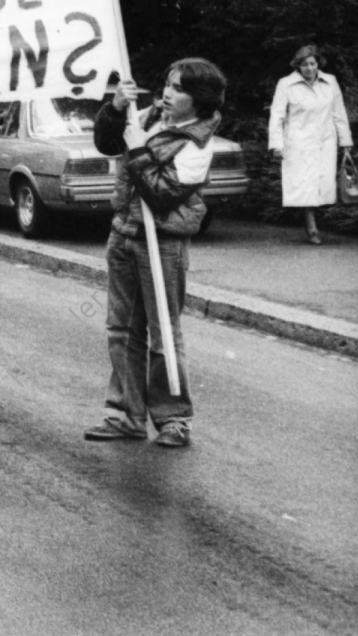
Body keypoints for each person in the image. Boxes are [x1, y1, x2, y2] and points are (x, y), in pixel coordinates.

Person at [86, 60, 226, 449]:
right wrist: (115, 109)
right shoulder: (146, 117)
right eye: (167, 83)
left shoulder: (198, 143)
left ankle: (174, 419)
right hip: (125, 233)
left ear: (198, 100)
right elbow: (105, 142)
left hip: (162, 242)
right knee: (121, 329)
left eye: (179, 88)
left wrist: (136, 149)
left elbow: (162, 193)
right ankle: (128, 416)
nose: (167, 92)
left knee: (163, 330)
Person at [268, 44, 352, 245]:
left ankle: (312, 221)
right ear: (298, 66)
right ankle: (311, 226)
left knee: (321, 186)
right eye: (304, 65)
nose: (309, 68)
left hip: (325, 142)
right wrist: (276, 145)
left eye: (312, 63)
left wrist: (346, 141)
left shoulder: (330, 82)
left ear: (318, 64)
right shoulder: (286, 84)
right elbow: (277, 116)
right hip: (298, 143)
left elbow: (339, 113)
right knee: (305, 185)